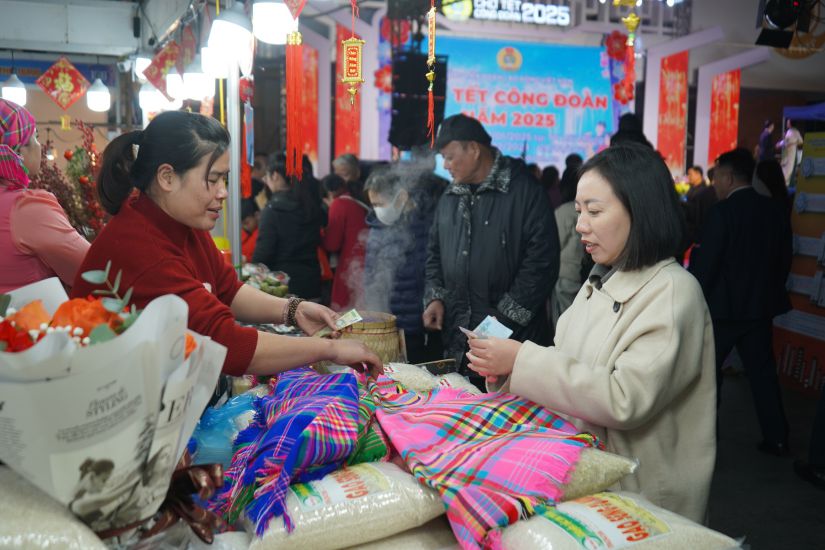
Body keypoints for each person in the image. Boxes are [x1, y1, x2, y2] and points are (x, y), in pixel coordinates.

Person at [466, 143, 715, 524]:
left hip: (640, 497)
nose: (581, 224)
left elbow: (624, 398)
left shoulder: (673, 291)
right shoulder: (600, 280)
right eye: (580, 210)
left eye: (595, 211)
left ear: (640, 209)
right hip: (587, 478)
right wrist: (509, 373)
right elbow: (567, 366)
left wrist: (522, 360)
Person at [72, 111, 381, 378]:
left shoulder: (179, 222)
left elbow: (227, 288)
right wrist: (329, 349)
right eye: (214, 179)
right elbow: (226, 344)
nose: (222, 192)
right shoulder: (141, 247)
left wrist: (293, 310)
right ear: (167, 177)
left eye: (225, 180)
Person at [424, 114, 559, 386]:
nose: (446, 165)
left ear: (473, 149)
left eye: (450, 157)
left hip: (512, 343)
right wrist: (435, 297)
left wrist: (498, 324)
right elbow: (434, 253)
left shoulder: (524, 192)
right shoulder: (450, 196)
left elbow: (541, 264)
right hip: (458, 342)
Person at [689, 148, 791, 457]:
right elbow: (784, 259)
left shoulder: (722, 213)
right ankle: (777, 438)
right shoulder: (773, 210)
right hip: (759, 309)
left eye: (717, 176)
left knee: (709, 378)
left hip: (722, 311)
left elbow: (707, 265)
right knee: (762, 375)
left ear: (729, 177)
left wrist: (694, 297)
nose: (715, 182)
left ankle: (707, 442)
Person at [0, 98, 89, 293]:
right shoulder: (27, 208)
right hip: (24, 321)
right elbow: (90, 269)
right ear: (17, 152)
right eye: (34, 138)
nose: (39, 146)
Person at [363, 164, 441, 364]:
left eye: (380, 203)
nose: (377, 210)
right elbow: (371, 277)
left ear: (402, 197)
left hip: (426, 320)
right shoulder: (376, 229)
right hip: (392, 322)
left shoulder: (429, 224)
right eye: (374, 205)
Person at [252, 154, 324, 300]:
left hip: (284, 286)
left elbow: (264, 252)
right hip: (312, 282)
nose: (265, 180)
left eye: (267, 176)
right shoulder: (310, 204)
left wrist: (252, 270)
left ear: (276, 176)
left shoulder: (273, 210)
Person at [322, 168, 370, 311]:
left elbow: (332, 244)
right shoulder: (359, 199)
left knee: (345, 312)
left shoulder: (339, 204)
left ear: (329, 192)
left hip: (350, 264)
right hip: (367, 261)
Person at [550, 161, 585, 326]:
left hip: (565, 275)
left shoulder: (563, 211)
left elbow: (555, 244)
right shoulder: (591, 209)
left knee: (564, 323)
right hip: (586, 273)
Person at [683, 165, 717, 245]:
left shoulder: (704, 192)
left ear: (698, 174)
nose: (688, 177)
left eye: (690, 174)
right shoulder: (692, 188)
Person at [777, 119, 803, 186]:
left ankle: (787, 185)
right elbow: (786, 142)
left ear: (791, 123)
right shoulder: (788, 131)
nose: (787, 124)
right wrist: (780, 144)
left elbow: (801, 141)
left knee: (789, 170)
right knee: (785, 169)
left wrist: (793, 144)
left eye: (788, 122)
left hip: (791, 154)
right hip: (786, 153)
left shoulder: (795, 131)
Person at [240, 197, 259, 263]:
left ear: (256, 216)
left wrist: (246, 259)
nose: (244, 227)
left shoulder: (263, 232)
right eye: (242, 224)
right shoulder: (243, 232)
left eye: (246, 223)